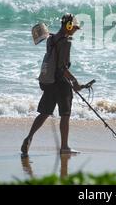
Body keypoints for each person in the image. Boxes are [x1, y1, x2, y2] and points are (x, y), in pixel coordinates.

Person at [21, 13, 82, 156]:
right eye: (74, 28)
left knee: (44, 113)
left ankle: (29, 137)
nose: (75, 30)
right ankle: (64, 147)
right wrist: (75, 82)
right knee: (65, 115)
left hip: (49, 82)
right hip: (61, 84)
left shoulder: (51, 39)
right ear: (68, 26)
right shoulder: (66, 42)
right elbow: (62, 67)